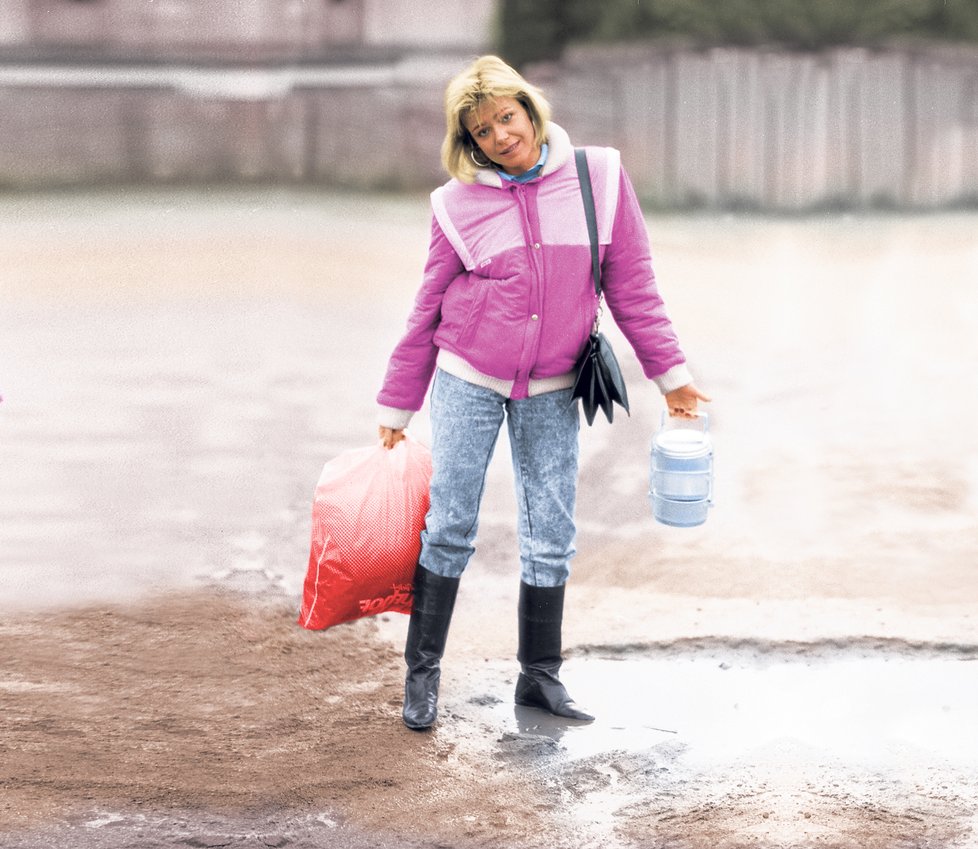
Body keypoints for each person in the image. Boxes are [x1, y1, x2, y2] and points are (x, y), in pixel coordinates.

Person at [376, 55, 710, 731]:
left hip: (556, 385)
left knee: (552, 531)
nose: (501, 135)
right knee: (449, 527)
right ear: (467, 143)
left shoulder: (601, 179)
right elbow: (427, 307)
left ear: (529, 109)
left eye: (507, 116)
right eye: (482, 130)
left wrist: (673, 379)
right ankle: (423, 674)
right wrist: (397, 405)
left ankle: (540, 677)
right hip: (468, 376)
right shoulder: (456, 204)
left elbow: (634, 290)